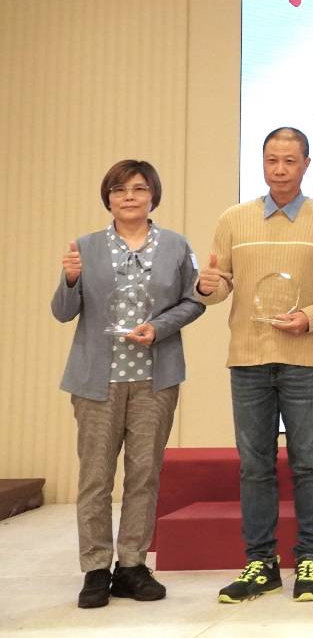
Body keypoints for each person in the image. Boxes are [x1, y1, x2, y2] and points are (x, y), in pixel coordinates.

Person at [199, 128, 313, 604]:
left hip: (306, 360)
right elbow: (220, 286)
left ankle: (311, 559)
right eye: (272, 159)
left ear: (306, 165)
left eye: (290, 160)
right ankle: (261, 563)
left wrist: (312, 317)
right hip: (248, 359)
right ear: (263, 162)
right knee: (255, 466)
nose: (280, 169)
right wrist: (207, 286)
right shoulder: (234, 218)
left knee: (309, 463)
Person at [53, 159, 204, 609]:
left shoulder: (176, 245)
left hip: (155, 381)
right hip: (96, 381)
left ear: (153, 195)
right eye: (119, 190)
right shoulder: (85, 246)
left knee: (143, 474)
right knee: (95, 477)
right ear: (108, 198)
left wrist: (159, 327)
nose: (129, 197)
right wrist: (71, 279)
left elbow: (194, 301)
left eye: (138, 188)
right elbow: (63, 312)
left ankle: (133, 565)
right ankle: (96, 568)